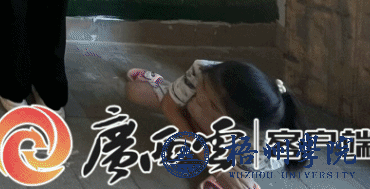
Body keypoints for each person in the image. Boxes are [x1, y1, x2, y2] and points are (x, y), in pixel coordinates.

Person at [125, 61, 312, 189]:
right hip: (214, 129)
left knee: (238, 180)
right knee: (135, 91)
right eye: (200, 92)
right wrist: (215, 164)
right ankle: (168, 86)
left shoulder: (259, 152)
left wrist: (227, 172)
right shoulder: (205, 71)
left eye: (211, 105)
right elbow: (169, 105)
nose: (197, 102)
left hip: (237, 149)